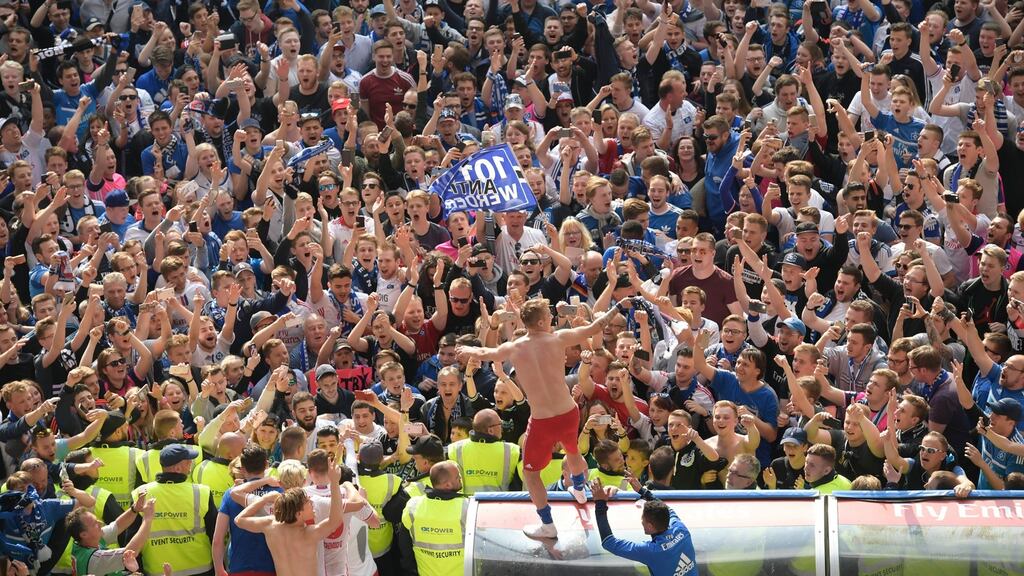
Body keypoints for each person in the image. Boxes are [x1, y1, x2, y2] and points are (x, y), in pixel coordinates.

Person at [457, 298, 620, 538]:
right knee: (573, 451)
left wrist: (467, 349)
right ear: (542, 321)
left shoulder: (514, 347)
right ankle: (579, 489)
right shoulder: (558, 338)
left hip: (543, 420)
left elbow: (485, 353)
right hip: (567, 412)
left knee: (530, 474)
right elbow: (595, 327)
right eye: (550, 317)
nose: (553, 321)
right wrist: (616, 307)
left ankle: (547, 524)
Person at [234, 462, 345, 576]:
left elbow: (239, 519)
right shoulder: (308, 534)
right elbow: (335, 520)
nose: (312, 502)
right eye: (308, 502)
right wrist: (335, 482)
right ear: (298, 513)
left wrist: (264, 499)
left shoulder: (270, 525)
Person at [129, 444, 217, 576]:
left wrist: (136, 570)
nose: (191, 466)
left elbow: (131, 536)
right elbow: (214, 533)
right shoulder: (201, 492)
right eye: (188, 462)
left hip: (156, 570)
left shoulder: (140, 493)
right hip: (200, 569)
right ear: (177, 468)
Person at [591, 475, 697, 576]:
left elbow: (609, 542)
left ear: (650, 526)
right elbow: (667, 508)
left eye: (643, 519)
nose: (641, 521)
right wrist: (642, 491)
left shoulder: (652, 551)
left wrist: (600, 504)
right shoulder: (681, 529)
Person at [398, 461, 469, 576]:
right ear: (447, 485)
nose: (461, 478)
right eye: (457, 477)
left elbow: (404, 545)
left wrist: (411, 570)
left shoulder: (413, 506)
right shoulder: (467, 506)